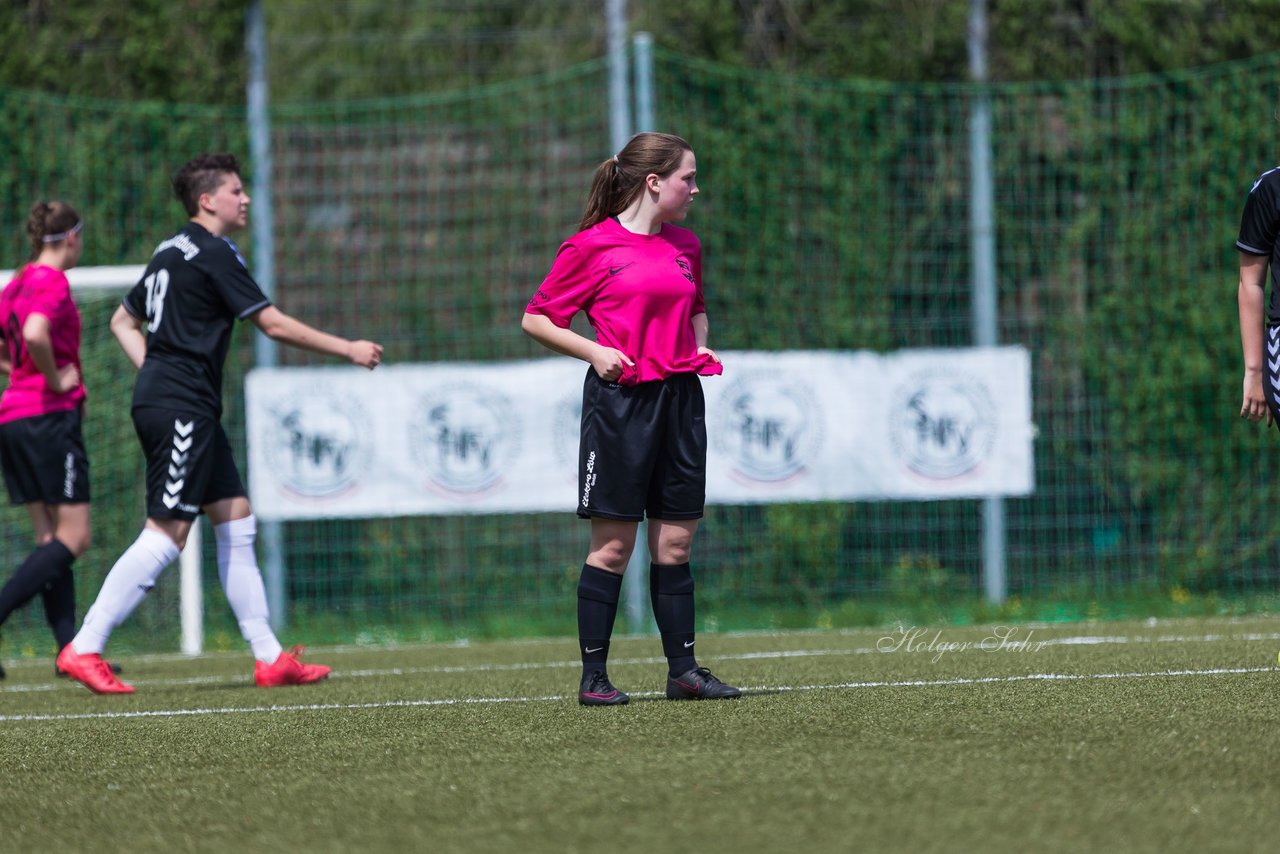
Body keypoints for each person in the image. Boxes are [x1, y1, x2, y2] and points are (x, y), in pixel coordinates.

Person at [56, 153, 383, 694]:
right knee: (167, 532)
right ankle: (86, 646)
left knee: (234, 517)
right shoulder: (211, 251)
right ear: (208, 200)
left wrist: (157, 369)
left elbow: (122, 319)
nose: (245, 198)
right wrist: (346, 347)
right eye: (236, 190)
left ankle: (269, 657)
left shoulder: (169, 249)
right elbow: (271, 324)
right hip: (181, 405)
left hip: (181, 401)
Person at [522, 132, 741, 705]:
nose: (695, 188)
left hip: (680, 402)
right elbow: (538, 319)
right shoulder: (591, 247)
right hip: (621, 407)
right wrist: (595, 353)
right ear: (653, 182)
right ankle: (594, 678)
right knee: (614, 546)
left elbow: (695, 307)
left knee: (675, 546)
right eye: (687, 178)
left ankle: (684, 673)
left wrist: (702, 346)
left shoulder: (685, 244)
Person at [0, 201, 110, 681]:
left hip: (13, 416)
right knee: (75, 537)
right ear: (71, 238)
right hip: (48, 417)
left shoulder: (18, 282)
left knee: (50, 539)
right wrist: (54, 379)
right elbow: (36, 331)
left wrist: (20, 373)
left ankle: (71, 650)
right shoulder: (51, 283)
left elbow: (10, 341)